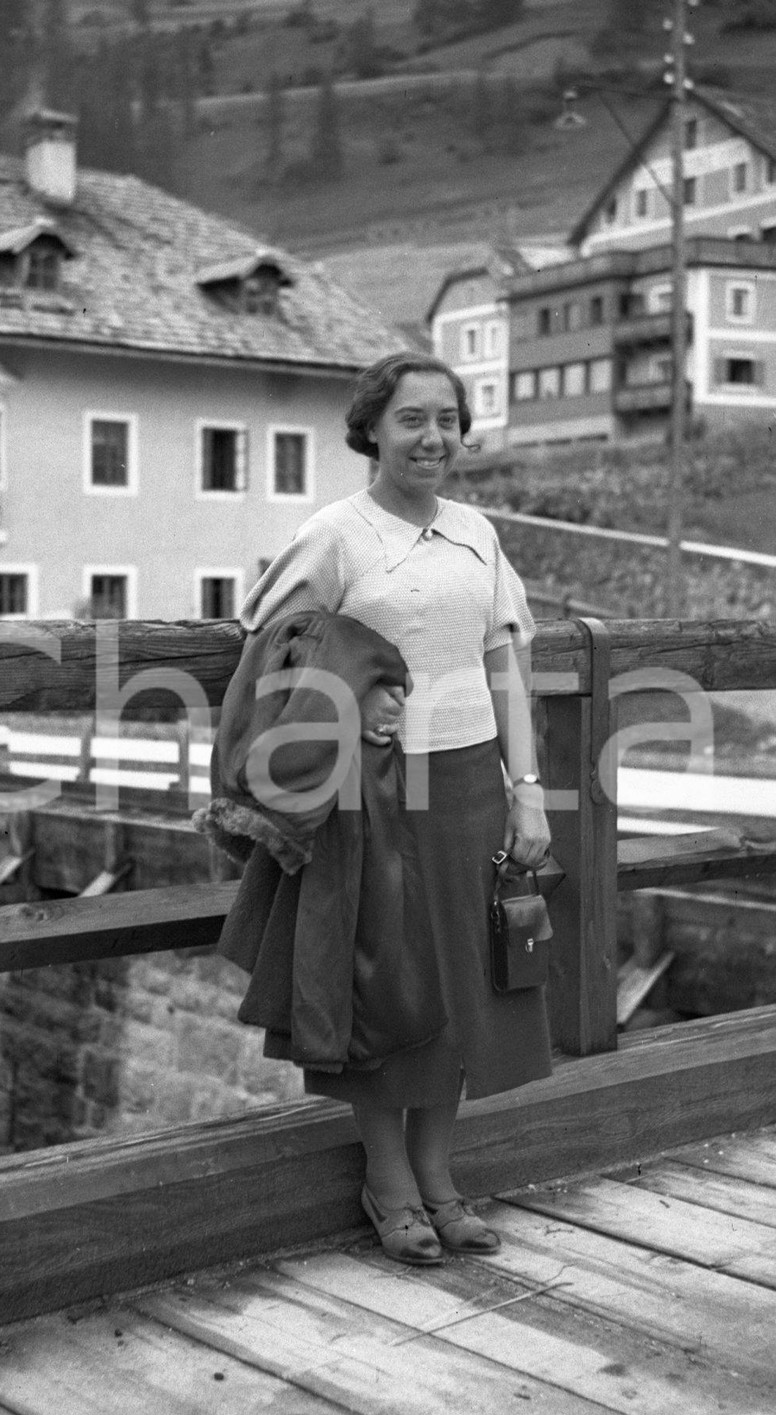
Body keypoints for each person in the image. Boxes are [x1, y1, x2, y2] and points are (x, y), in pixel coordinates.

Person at [233, 351, 553, 1264]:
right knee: (383, 983)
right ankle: (388, 1181)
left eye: (447, 419)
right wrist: (350, 689)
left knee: (460, 983)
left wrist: (525, 793)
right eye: (412, 418)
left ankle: (439, 1172)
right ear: (372, 427)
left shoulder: (477, 534)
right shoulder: (338, 534)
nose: (433, 437)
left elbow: (505, 665)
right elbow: (269, 643)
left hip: (465, 788)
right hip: (371, 793)